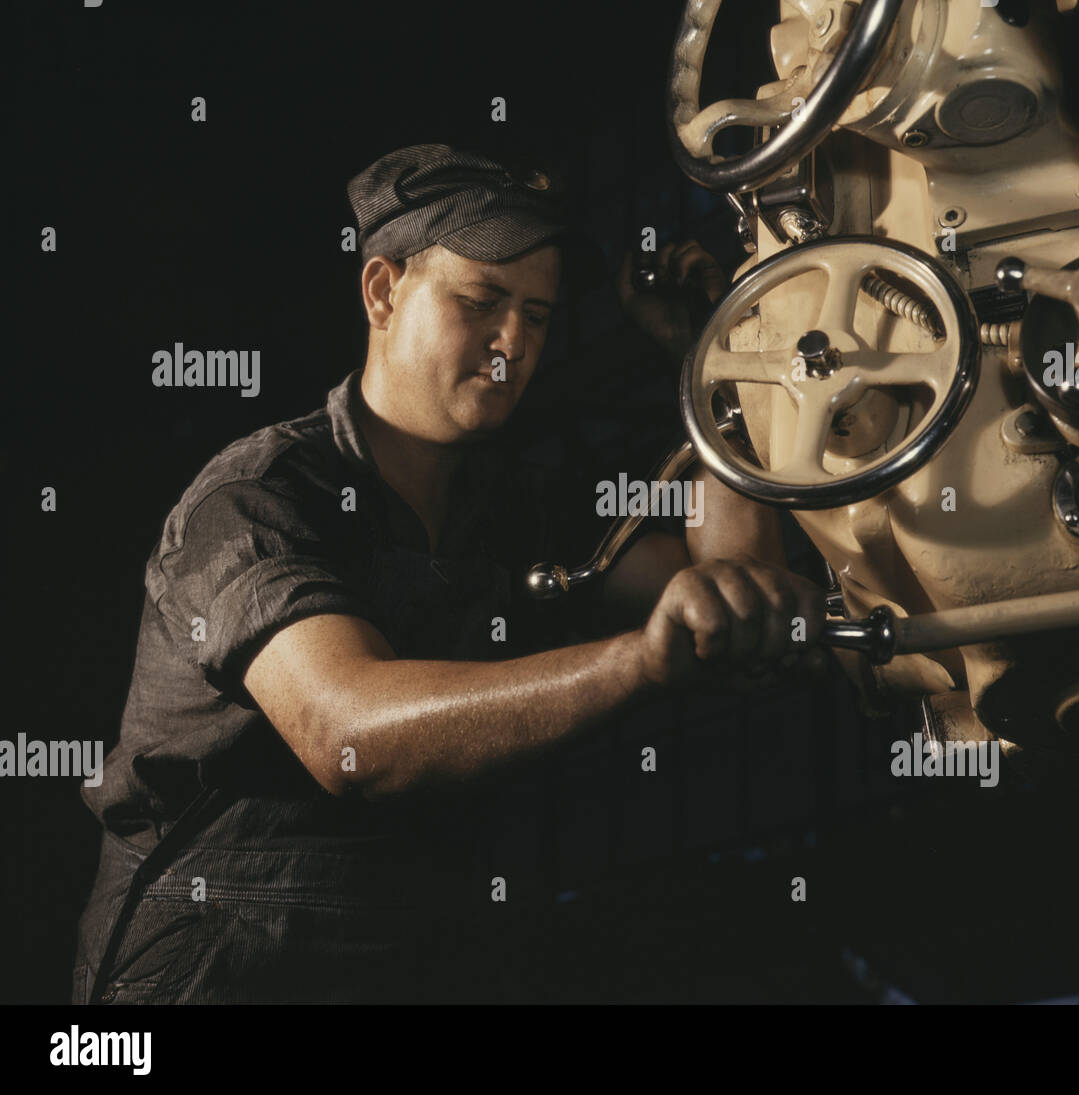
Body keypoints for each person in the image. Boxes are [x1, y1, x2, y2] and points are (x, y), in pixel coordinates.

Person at [71, 142, 827, 1004]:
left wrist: (709, 362)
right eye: (482, 301)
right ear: (383, 290)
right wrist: (637, 663)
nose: (513, 344)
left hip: (402, 957)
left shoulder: (506, 506)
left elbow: (731, 583)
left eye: (538, 316)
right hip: (205, 969)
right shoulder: (257, 498)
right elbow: (349, 735)